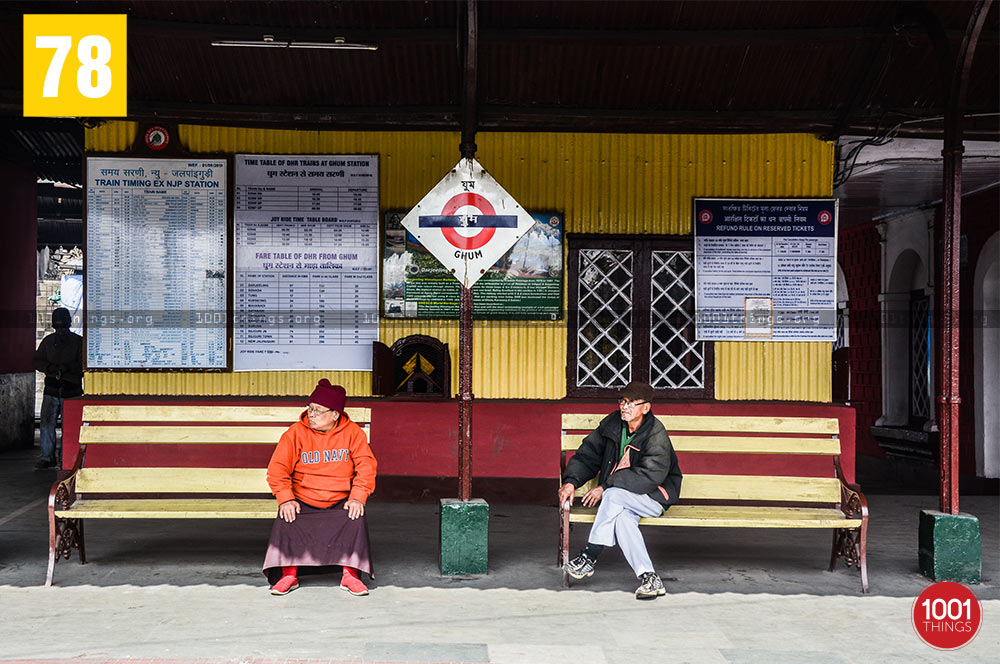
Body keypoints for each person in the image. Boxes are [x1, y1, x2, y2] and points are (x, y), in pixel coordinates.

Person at [558, 381, 682, 599]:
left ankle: (589, 555)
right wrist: (571, 482)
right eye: (622, 401)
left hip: (654, 496)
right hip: (622, 499)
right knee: (623, 519)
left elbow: (650, 476)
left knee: (613, 495)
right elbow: (588, 454)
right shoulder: (613, 423)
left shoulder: (656, 433)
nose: (624, 407)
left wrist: (605, 486)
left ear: (646, 407)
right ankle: (649, 578)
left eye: (631, 403)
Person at [262, 379, 377, 596]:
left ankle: (350, 575)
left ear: (335, 414)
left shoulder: (353, 433)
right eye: (310, 408)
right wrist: (286, 498)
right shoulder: (295, 433)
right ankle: (289, 575)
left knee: (355, 516)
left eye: (318, 410)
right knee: (288, 515)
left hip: (340, 499)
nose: (311, 414)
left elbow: (366, 468)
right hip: (303, 498)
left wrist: (357, 497)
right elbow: (277, 469)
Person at [32, 307, 83, 469]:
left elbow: (84, 364)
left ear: (69, 324)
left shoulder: (78, 342)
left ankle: (65, 459)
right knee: (47, 424)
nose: (60, 330)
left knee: (69, 427)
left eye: (63, 326)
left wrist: (68, 368)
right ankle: (47, 457)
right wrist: (50, 368)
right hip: (51, 390)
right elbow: (37, 361)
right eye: (57, 327)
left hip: (72, 390)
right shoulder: (47, 342)